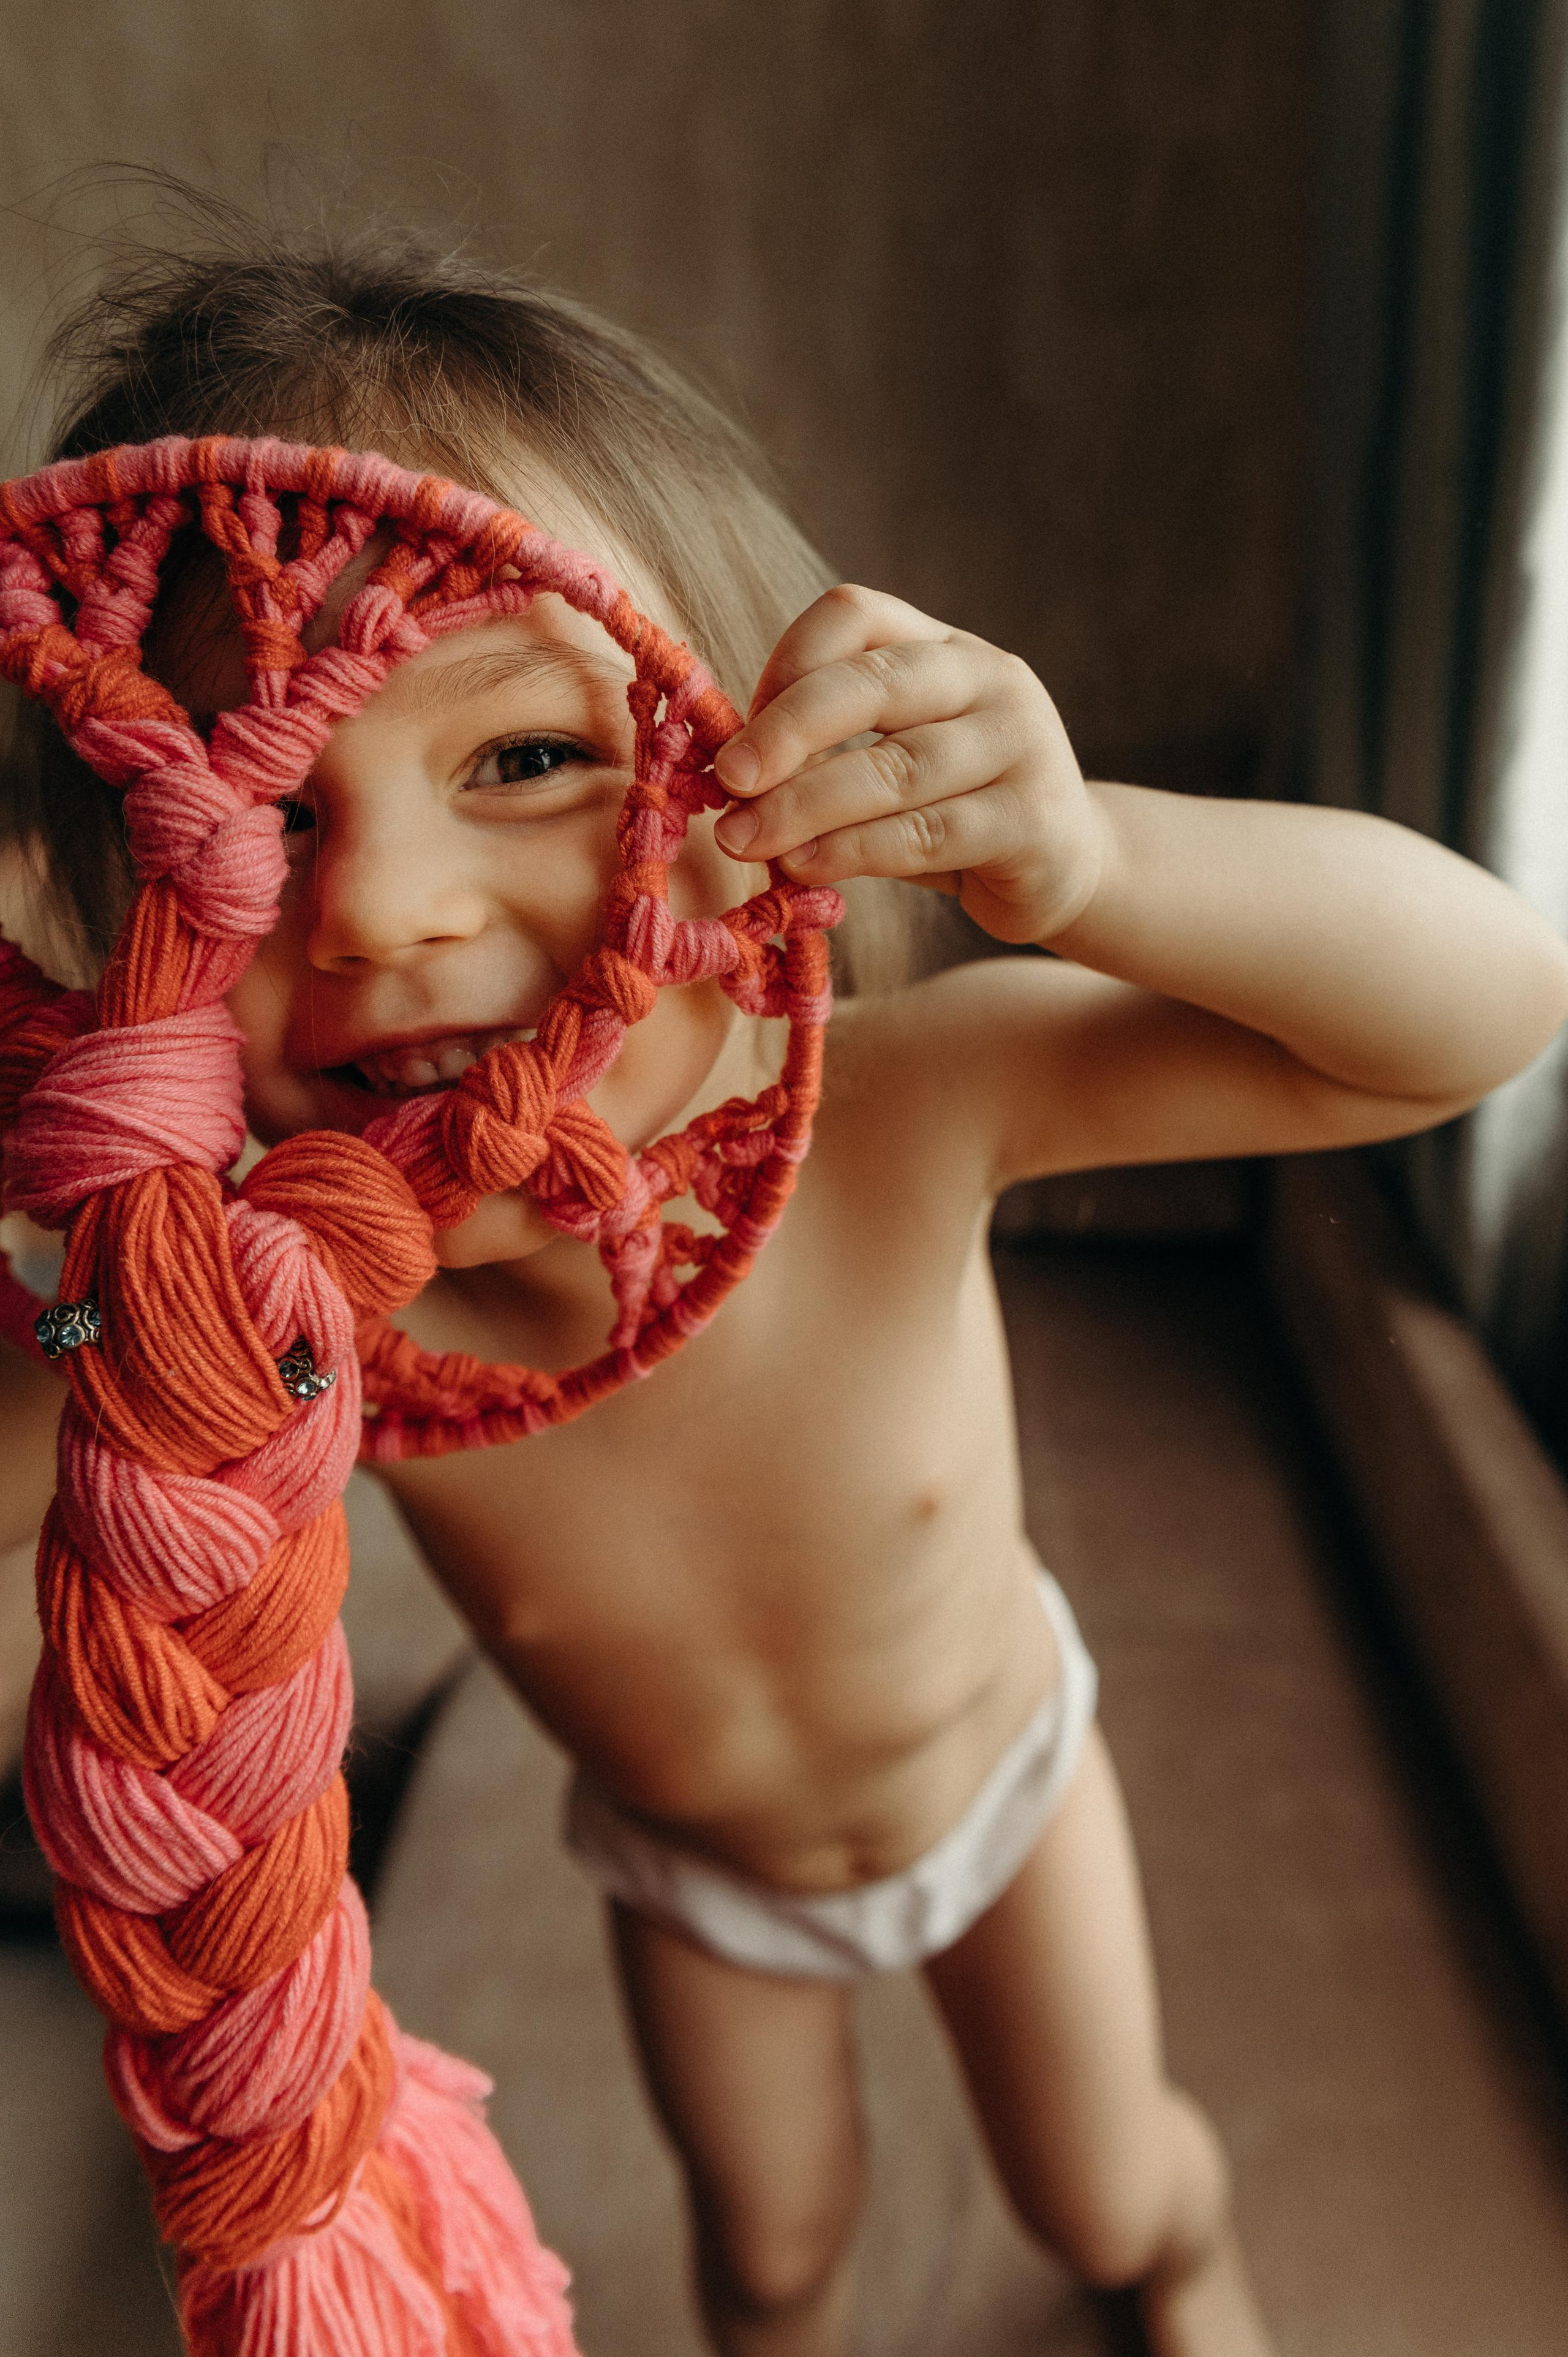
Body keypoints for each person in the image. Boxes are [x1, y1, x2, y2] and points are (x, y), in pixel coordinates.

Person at [4, 224, 1567, 2357]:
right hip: (684, 1870)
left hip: (1004, 1783)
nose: (378, 911)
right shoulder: (286, 1310)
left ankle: (1182, 2267)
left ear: (750, 794)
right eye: (255, 813)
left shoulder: (902, 1122)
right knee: (771, 2251)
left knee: (1109, 2180)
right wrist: (99, 1279)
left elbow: (1477, 1011)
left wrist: (1095, 862)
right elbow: (58, 1443)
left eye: (528, 760)